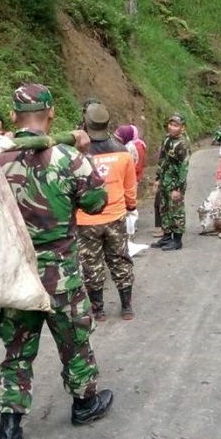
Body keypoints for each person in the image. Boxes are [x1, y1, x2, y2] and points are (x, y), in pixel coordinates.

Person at [0, 83, 113, 439]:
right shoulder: (68, 158)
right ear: (52, 114)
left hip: (16, 276)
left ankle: (8, 431)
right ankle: (85, 402)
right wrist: (84, 155)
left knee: (17, 353)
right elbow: (97, 203)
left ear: (12, 116)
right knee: (74, 342)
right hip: (61, 274)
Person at [77, 104, 138, 322]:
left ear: (86, 124)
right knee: (120, 259)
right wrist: (131, 207)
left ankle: (99, 310)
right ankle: (126, 307)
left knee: (91, 264)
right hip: (115, 215)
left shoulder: (77, 153)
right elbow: (130, 187)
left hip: (85, 220)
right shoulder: (123, 152)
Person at [151, 113, 190, 251]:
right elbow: (162, 160)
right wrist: (157, 179)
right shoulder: (167, 140)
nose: (172, 128)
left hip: (175, 183)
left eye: (176, 125)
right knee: (164, 208)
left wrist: (178, 188)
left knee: (176, 211)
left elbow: (183, 168)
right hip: (165, 180)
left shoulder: (182, 144)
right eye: (171, 124)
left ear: (182, 128)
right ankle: (167, 236)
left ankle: (177, 240)